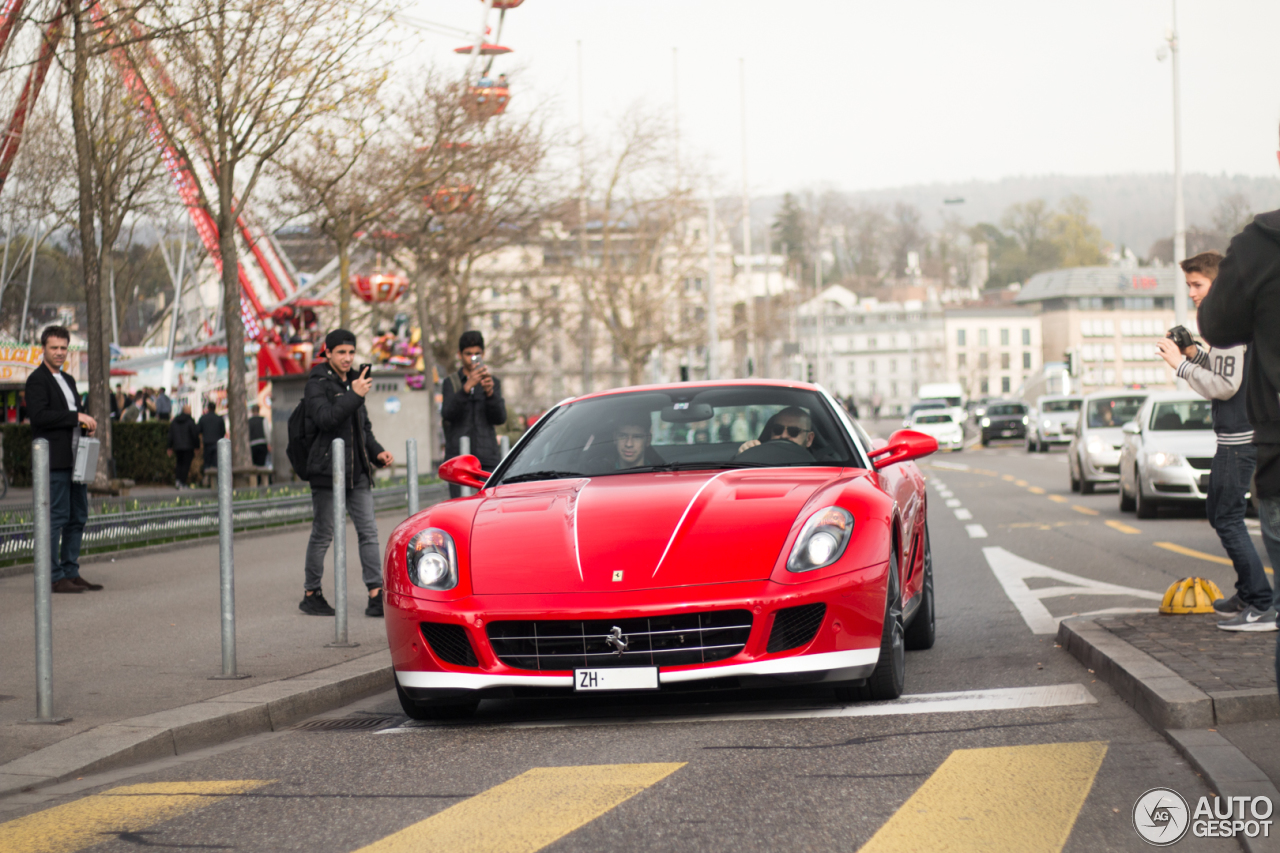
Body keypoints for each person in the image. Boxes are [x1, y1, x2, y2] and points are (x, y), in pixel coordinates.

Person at [1158, 251, 1272, 630]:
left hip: (1239, 437)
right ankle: (1250, 591)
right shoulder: (1236, 321)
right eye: (1189, 285)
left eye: (1197, 284)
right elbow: (1229, 369)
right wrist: (1195, 352)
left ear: (1217, 284)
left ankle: (1259, 602)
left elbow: (1225, 385)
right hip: (1243, 432)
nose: (1191, 292)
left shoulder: (1226, 324)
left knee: (1225, 515)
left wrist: (1181, 364)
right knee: (1221, 513)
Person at [300, 329, 394, 618]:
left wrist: (377, 452)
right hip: (327, 471)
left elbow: (362, 428)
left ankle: (375, 595)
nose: (347, 358)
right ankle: (311, 593)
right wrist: (354, 394)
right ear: (327, 353)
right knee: (324, 533)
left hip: (357, 472)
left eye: (351, 352)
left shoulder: (355, 381)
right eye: (341, 352)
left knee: (369, 532)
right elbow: (326, 419)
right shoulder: (317, 382)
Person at [25, 325, 101, 593]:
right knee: (56, 518)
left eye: (63, 348)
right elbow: (40, 417)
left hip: (76, 459)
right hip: (54, 461)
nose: (59, 353)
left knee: (78, 516)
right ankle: (54, 576)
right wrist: (76, 417)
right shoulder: (36, 380)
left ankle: (70, 570)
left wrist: (84, 424)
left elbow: (70, 415)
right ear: (43, 349)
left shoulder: (68, 380)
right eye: (54, 347)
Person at [440, 330, 507, 498]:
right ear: (459, 355)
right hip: (459, 458)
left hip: (487, 457)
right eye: (468, 354)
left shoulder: (492, 382)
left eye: (477, 354)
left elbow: (500, 418)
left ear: (483, 354)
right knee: (458, 507)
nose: (472, 358)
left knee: (488, 507)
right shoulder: (451, 383)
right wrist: (466, 388)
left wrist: (490, 393)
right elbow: (447, 414)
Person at [737, 406, 815, 454]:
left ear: (809, 439)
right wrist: (745, 455)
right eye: (778, 429)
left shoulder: (819, 467)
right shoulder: (758, 455)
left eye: (793, 431)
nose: (783, 435)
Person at [167, 404, 200, 489]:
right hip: (188, 446)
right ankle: (182, 482)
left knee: (179, 463)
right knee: (186, 465)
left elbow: (170, 435)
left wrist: (169, 446)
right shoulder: (190, 421)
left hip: (177, 446)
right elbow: (194, 434)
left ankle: (178, 480)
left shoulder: (175, 421)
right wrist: (197, 446)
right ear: (188, 411)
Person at [198, 401, 226, 474]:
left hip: (207, 443)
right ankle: (215, 480)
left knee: (207, 463)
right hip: (217, 442)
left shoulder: (203, 418)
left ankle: (207, 479)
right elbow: (223, 431)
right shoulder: (219, 419)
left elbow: (198, 430)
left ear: (208, 408)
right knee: (216, 463)